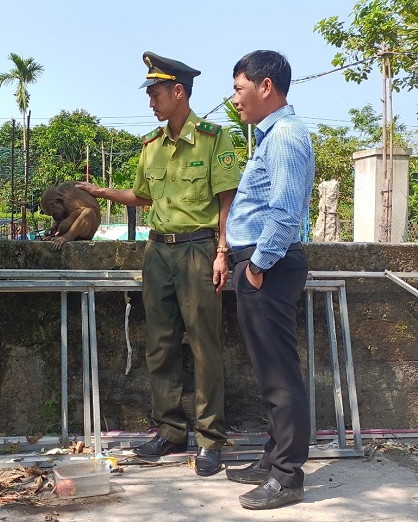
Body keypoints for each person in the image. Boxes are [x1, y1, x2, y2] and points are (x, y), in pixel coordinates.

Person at [77, 51, 239, 476]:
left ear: (178, 91)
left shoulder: (214, 138)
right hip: (158, 251)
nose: (150, 100)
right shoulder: (151, 145)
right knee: (160, 343)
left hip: (199, 249)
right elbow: (143, 197)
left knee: (204, 344)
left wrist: (223, 252)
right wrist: (102, 192)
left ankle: (209, 439)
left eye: (156, 92)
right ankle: (169, 431)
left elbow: (227, 199)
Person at [224, 50, 315, 510]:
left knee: (279, 374)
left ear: (265, 87)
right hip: (261, 264)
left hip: (269, 267)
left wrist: (257, 266)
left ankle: (287, 476)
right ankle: (272, 456)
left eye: (240, 88)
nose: (235, 99)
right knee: (268, 370)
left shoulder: (284, 136)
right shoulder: (271, 135)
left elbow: (284, 209)